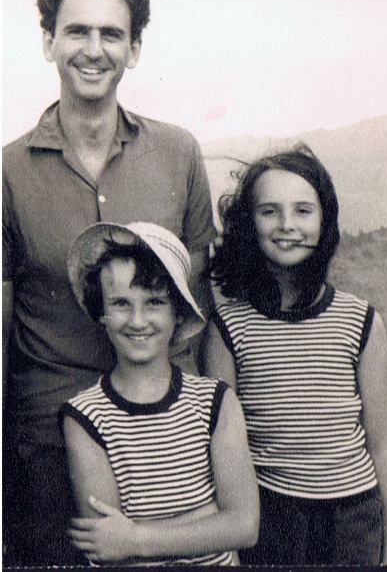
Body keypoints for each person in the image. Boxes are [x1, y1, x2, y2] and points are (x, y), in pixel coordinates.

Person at [2, 0, 216, 565]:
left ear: (134, 49)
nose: (94, 50)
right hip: (48, 448)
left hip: (168, 436)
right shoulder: (7, 173)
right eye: (77, 31)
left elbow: (200, 302)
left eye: (112, 34)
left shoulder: (179, 153)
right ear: (49, 42)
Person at [204, 146, 387, 565]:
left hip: (354, 521)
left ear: (324, 221)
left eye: (303, 211)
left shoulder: (361, 321)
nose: (287, 225)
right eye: (269, 211)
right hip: (270, 518)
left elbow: (383, 445)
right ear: (249, 223)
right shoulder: (228, 328)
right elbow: (223, 455)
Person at [61, 222, 258, 565]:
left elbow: (244, 526)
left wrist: (135, 537)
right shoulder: (84, 417)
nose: (138, 321)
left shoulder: (216, 402)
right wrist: (209, 518)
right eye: (121, 303)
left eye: (154, 302)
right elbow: (108, 548)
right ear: (102, 313)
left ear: (177, 312)